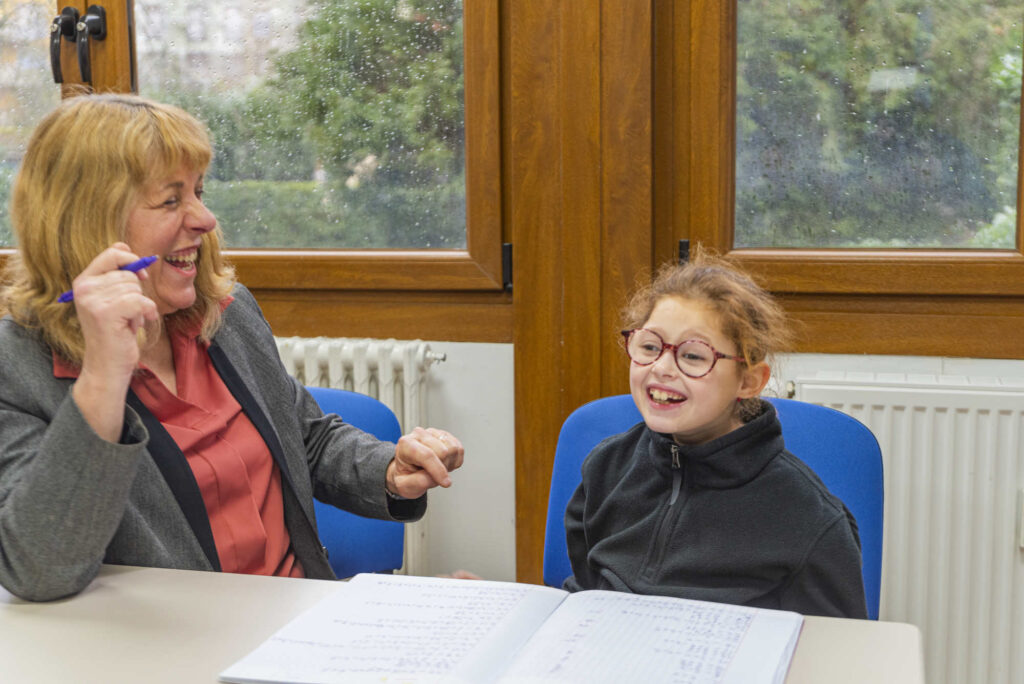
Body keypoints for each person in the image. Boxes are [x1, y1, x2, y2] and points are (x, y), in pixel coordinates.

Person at [0, 94, 464, 602]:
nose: (205, 218)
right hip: (169, 650)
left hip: (295, 620)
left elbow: (304, 438)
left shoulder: (226, 313)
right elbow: (39, 567)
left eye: (198, 192)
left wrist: (389, 471)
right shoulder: (17, 364)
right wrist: (103, 375)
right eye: (171, 200)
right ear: (90, 221)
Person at [563, 248, 867, 618]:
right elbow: (582, 596)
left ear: (749, 380)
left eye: (692, 356)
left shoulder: (811, 519)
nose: (661, 367)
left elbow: (831, 652)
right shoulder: (606, 468)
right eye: (649, 346)